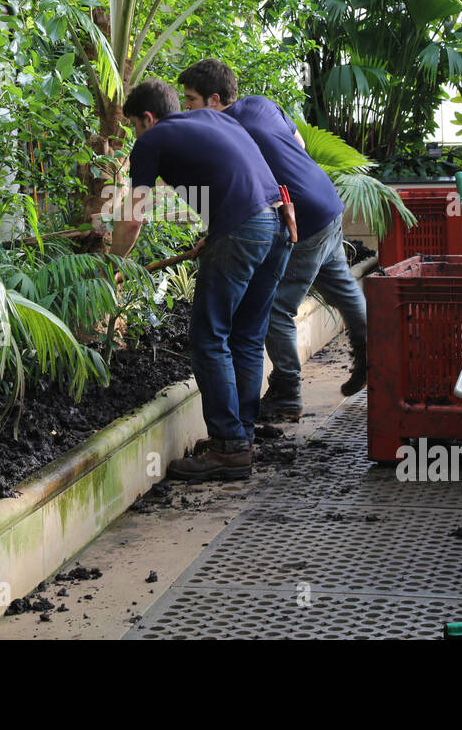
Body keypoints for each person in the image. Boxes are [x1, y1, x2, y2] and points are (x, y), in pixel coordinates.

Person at [110, 79, 292, 481]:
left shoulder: (152, 140)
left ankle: (229, 446)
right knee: (245, 335)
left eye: (133, 128)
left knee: (209, 336)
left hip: (246, 227)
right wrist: (217, 233)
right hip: (279, 222)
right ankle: (240, 437)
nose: (134, 137)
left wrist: (111, 264)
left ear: (147, 118)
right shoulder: (212, 117)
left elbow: (134, 217)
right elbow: (243, 175)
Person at [180, 59, 368, 419]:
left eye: (190, 100)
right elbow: (297, 144)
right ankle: (372, 352)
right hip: (326, 201)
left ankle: (286, 391)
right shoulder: (261, 103)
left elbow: (243, 192)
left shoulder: (226, 133)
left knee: (276, 309)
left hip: (304, 221)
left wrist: (220, 233)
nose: (186, 107)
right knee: (342, 284)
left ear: (214, 99)